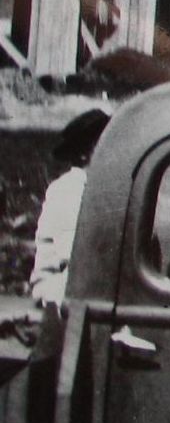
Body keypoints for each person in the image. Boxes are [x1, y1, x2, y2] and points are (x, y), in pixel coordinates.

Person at [29, 108, 110, 306]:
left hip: (79, 283)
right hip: (58, 288)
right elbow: (74, 254)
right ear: (84, 154)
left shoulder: (100, 187)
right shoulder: (68, 189)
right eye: (104, 144)